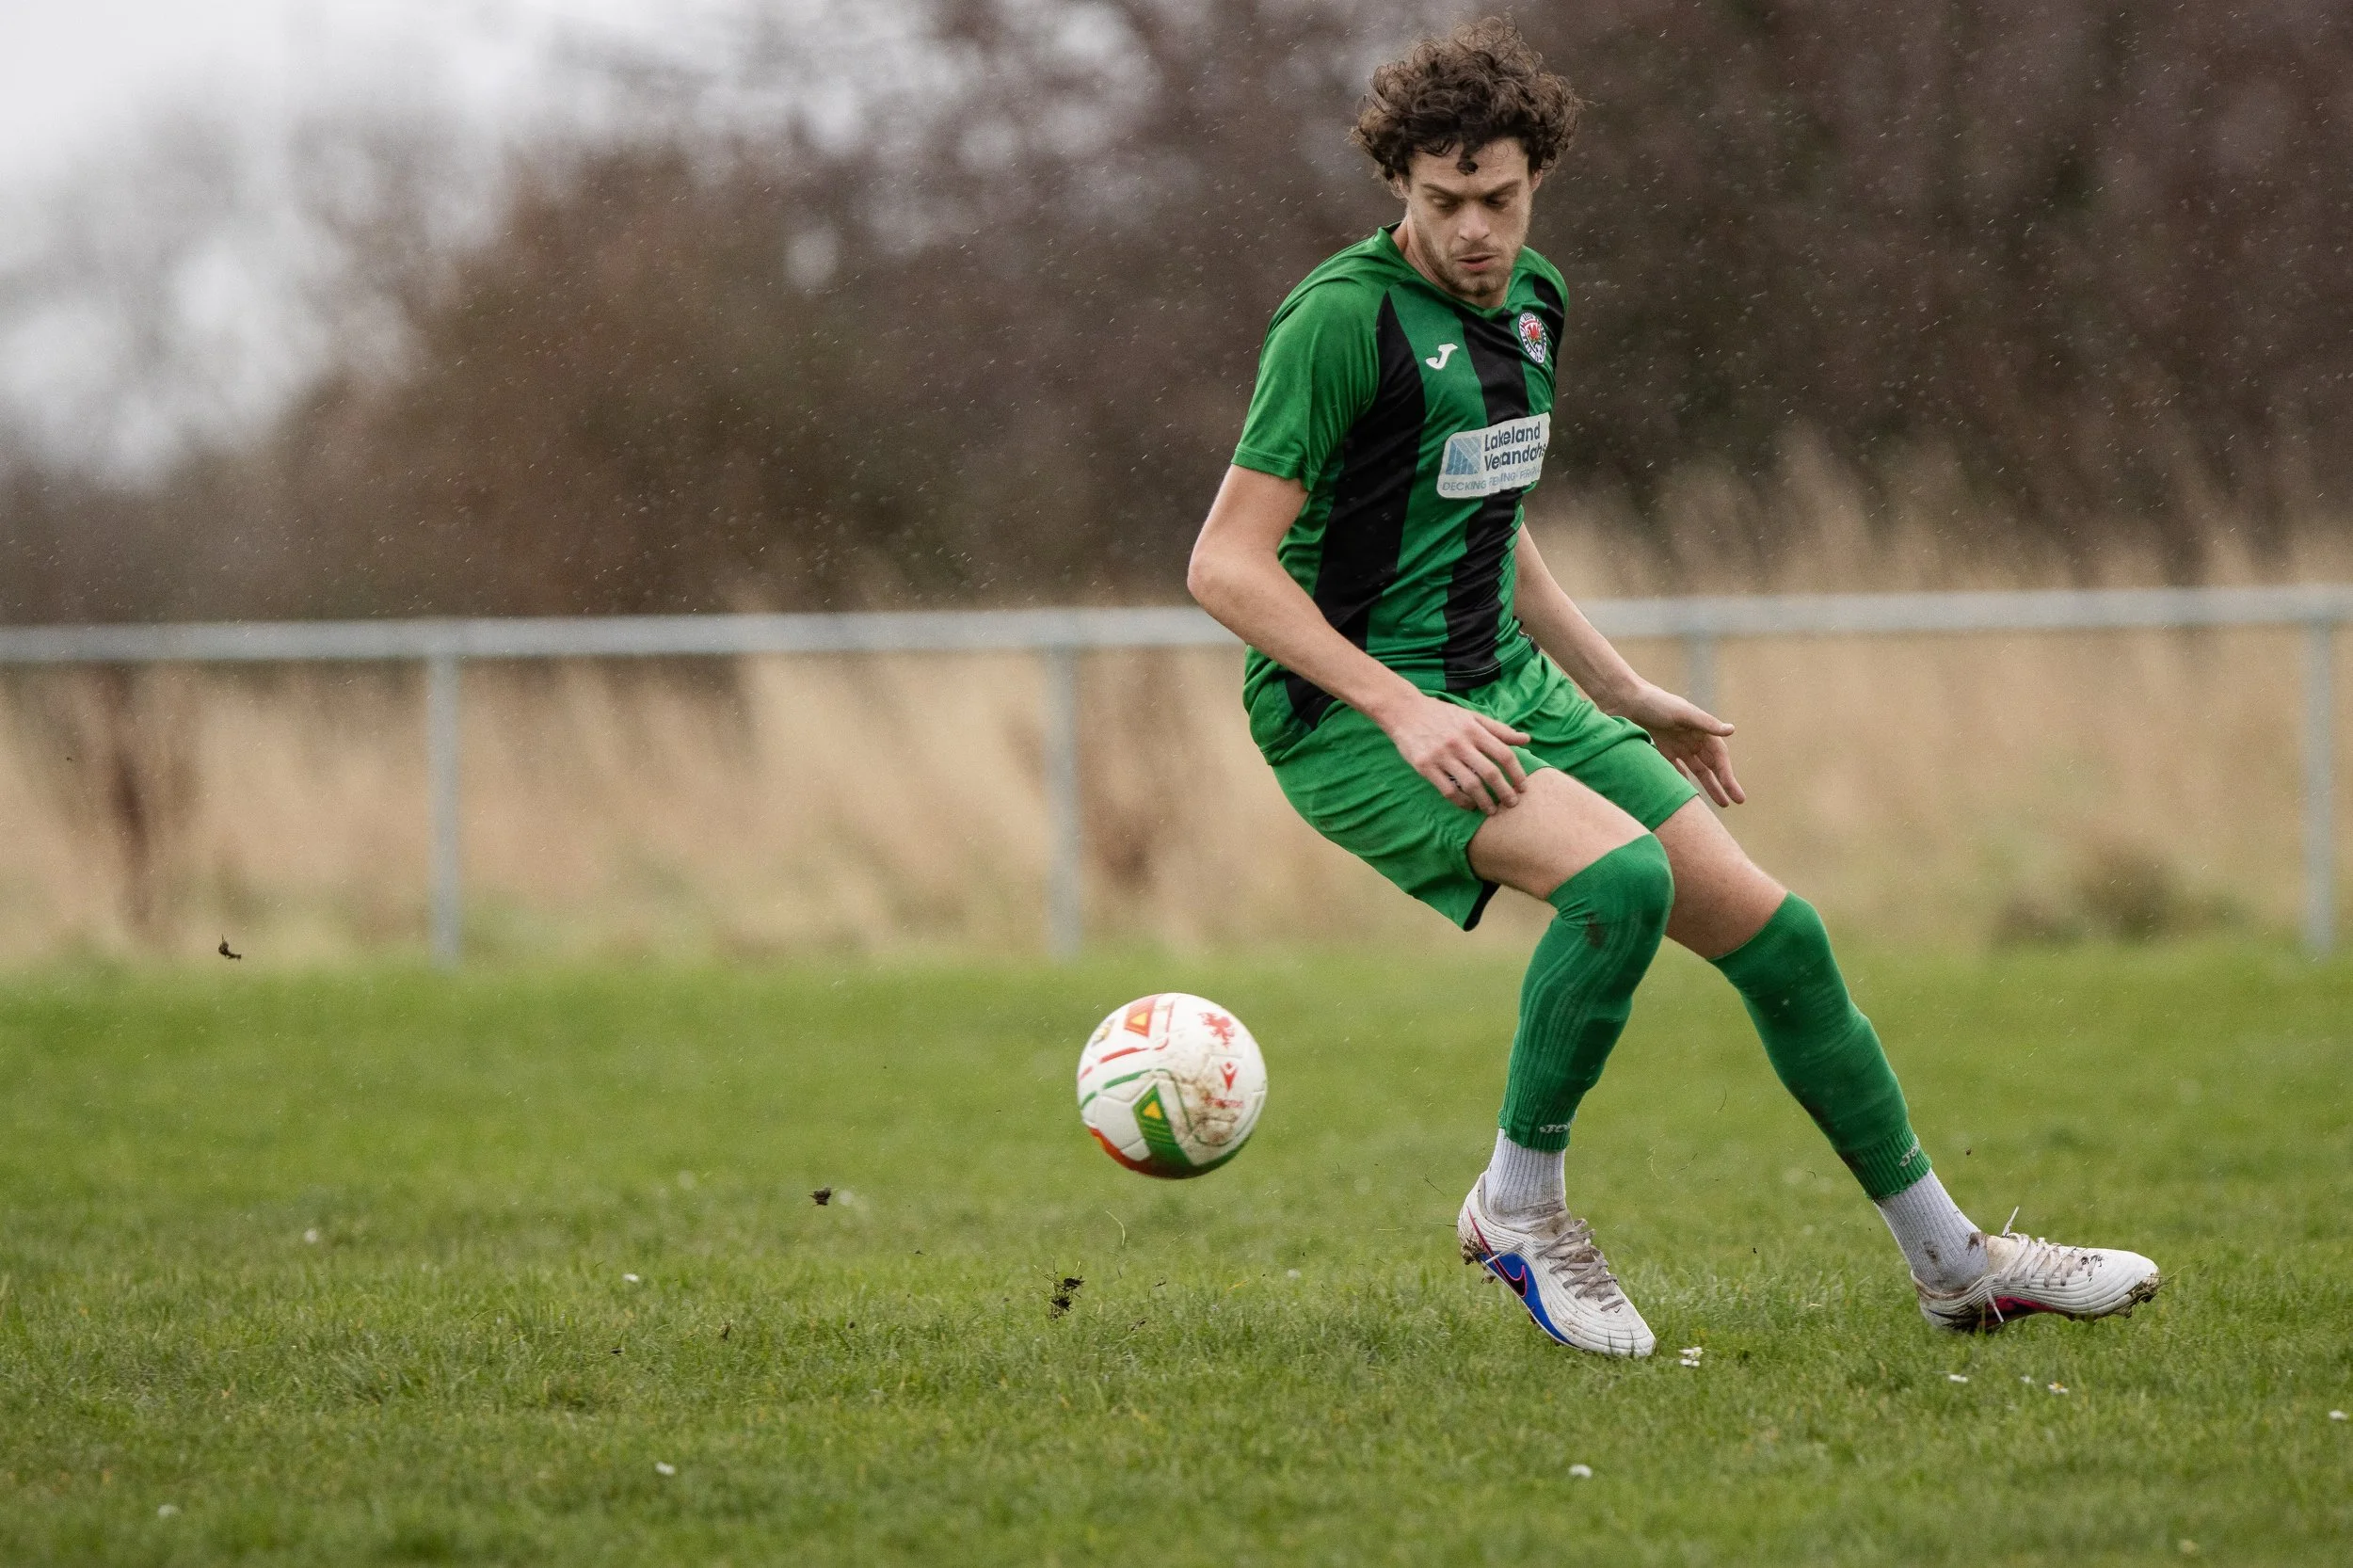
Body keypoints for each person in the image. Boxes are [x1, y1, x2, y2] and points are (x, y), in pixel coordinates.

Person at [1185, 17, 2161, 1356]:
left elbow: (1482, 517)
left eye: (1501, 199)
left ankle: (1957, 1264)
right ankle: (1516, 1210)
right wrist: (1403, 709)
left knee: (1784, 942)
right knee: (1619, 882)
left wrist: (1622, 686)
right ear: (1395, 189)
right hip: (1352, 718)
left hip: (1508, 685)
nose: (1474, 229)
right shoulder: (1340, 323)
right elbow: (1225, 566)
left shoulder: (1538, 303)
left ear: (1540, 180)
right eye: (1442, 202)